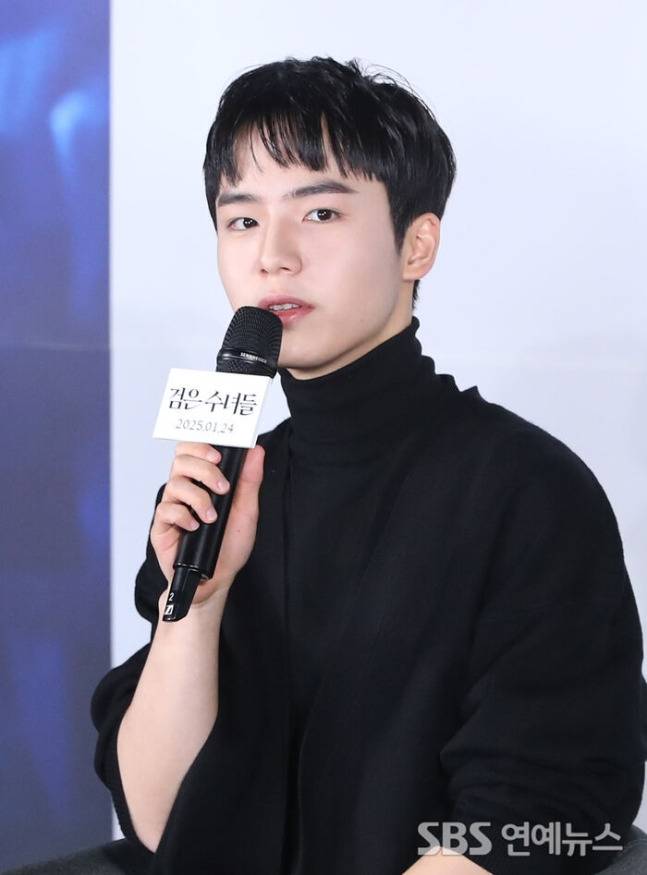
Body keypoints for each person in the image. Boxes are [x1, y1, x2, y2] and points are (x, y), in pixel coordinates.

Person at [91, 56, 647, 875]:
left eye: (319, 211)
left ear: (415, 243)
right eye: (241, 220)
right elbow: (157, 819)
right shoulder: (222, 488)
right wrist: (192, 610)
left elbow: (536, 810)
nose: (272, 256)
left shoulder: (526, 490)